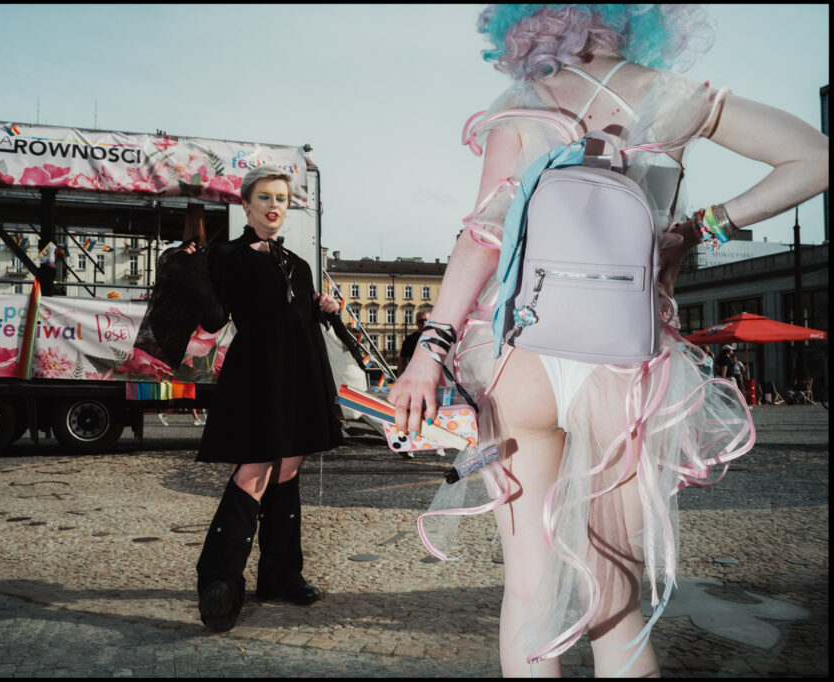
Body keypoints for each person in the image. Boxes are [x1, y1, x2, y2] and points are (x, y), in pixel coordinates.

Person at [389, 5, 828, 677]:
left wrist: (430, 349)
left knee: (530, 597)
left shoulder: (520, 106)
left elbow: (482, 238)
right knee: (616, 609)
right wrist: (702, 226)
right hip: (627, 362)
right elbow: (815, 159)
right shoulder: (678, 98)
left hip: (521, 357)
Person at [194, 165, 344, 633]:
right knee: (254, 471)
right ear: (246, 204)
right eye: (264, 197)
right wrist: (188, 267)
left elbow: (293, 314)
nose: (274, 205)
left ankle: (281, 576)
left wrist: (323, 306)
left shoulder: (296, 263)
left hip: (301, 373)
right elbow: (214, 319)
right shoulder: (227, 256)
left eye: (281, 197)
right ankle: (218, 581)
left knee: (288, 470)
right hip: (258, 374)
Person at [398, 311, 430, 377]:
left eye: (426, 320)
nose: (424, 323)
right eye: (420, 321)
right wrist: (399, 379)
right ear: (416, 323)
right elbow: (401, 361)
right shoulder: (410, 339)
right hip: (415, 376)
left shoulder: (438, 338)